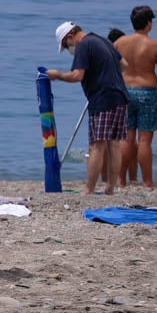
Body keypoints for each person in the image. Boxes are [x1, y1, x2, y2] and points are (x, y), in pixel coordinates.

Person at [47, 21, 128, 195]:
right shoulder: (102, 40)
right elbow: (124, 66)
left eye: (65, 45)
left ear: (70, 36)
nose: (68, 49)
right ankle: (110, 189)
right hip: (119, 95)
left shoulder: (83, 45)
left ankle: (89, 189)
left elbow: (77, 75)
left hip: (103, 98)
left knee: (96, 146)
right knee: (113, 145)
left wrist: (57, 75)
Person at [115, 6, 157, 188]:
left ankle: (121, 179)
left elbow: (112, 68)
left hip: (125, 92)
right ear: (149, 23)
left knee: (127, 138)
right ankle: (147, 181)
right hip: (146, 93)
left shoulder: (120, 43)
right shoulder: (154, 46)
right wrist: (152, 78)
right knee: (144, 140)